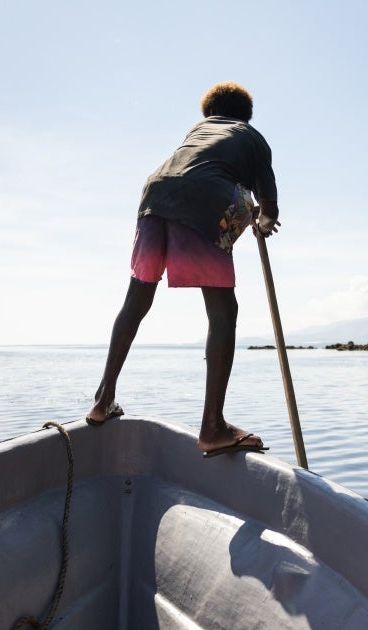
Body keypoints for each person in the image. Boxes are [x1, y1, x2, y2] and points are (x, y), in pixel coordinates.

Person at [85, 82, 281, 458]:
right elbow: (268, 207)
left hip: (154, 196)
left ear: (208, 113)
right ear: (246, 114)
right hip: (206, 196)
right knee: (224, 311)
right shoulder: (252, 136)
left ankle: (102, 400)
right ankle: (212, 427)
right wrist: (263, 221)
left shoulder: (196, 131)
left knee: (137, 300)